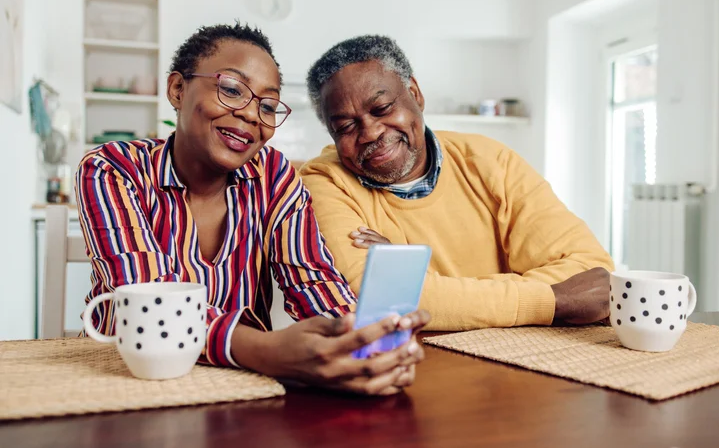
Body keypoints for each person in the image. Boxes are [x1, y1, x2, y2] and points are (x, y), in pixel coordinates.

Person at [75, 24, 428, 395]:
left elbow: (313, 281)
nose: (250, 115)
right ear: (178, 89)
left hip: (238, 384)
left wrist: (360, 339)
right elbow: (155, 308)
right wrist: (265, 350)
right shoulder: (113, 170)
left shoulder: (274, 176)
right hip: (121, 376)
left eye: (268, 105)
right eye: (230, 90)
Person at [300, 35, 614, 331]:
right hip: (417, 364)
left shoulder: (490, 160)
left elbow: (593, 274)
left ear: (415, 94)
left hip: (526, 357)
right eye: (345, 126)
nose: (369, 133)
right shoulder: (323, 182)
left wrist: (416, 279)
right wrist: (552, 300)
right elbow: (371, 300)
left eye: (382, 109)